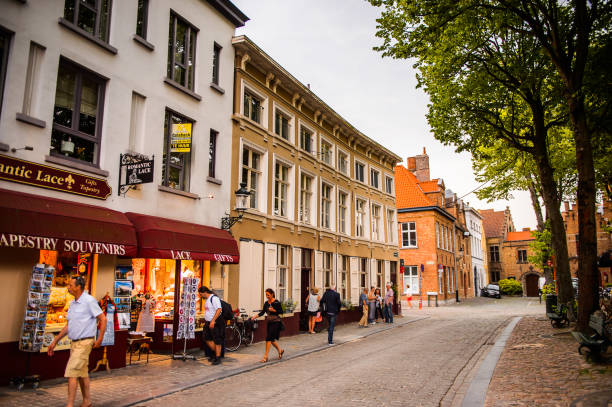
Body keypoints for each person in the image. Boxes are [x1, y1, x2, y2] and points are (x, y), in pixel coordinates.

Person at [47, 276, 106, 407]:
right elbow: (69, 326)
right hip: (74, 343)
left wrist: (100, 338)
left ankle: (70, 404)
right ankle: (87, 401)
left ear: (78, 287)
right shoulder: (73, 303)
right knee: (82, 373)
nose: (68, 287)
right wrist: (55, 341)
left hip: (84, 342)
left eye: (70, 285)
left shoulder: (89, 301)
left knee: (71, 371)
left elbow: (103, 318)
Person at [250, 288, 284, 363]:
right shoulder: (266, 303)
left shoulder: (276, 302)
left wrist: (274, 310)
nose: (267, 296)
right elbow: (262, 312)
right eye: (266, 295)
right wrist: (254, 317)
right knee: (271, 339)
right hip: (269, 322)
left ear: (272, 294)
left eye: (268, 295)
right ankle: (280, 350)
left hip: (276, 322)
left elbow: (281, 312)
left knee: (268, 338)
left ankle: (265, 357)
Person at [198, 286, 224, 365]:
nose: (200, 296)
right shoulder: (207, 300)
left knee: (217, 340)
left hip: (215, 323)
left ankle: (218, 357)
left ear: (205, 292)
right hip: (208, 322)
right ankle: (215, 353)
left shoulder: (214, 299)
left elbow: (219, 309)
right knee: (206, 338)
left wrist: (213, 321)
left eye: (201, 294)